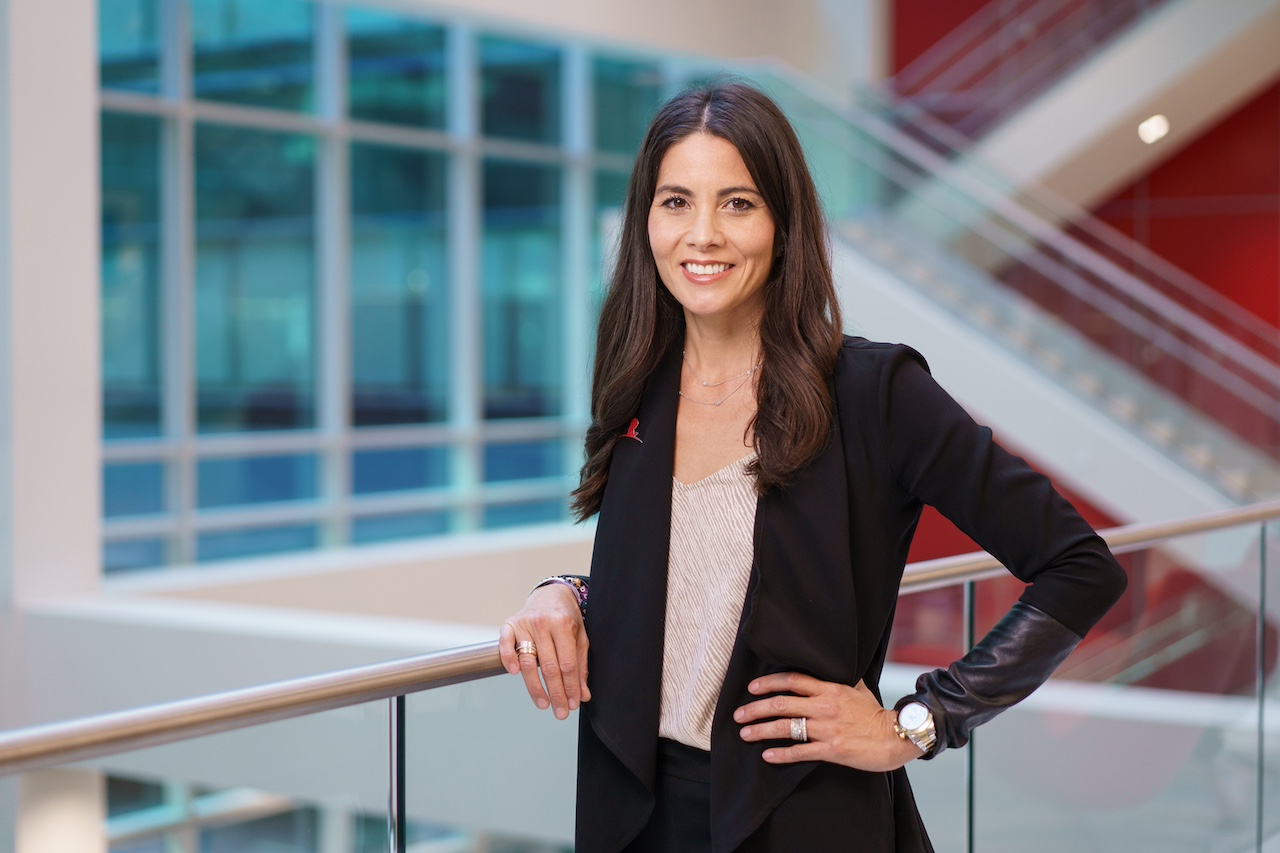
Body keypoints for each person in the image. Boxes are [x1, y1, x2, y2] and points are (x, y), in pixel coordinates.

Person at [498, 80, 1127, 853]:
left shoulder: (875, 393)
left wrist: (921, 722)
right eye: (675, 202)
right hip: (635, 812)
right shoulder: (640, 385)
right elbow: (689, 590)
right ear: (645, 220)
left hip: (800, 816)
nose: (702, 235)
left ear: (783, 222)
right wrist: (563, 592)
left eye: (737, 203)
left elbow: (1080, 565)